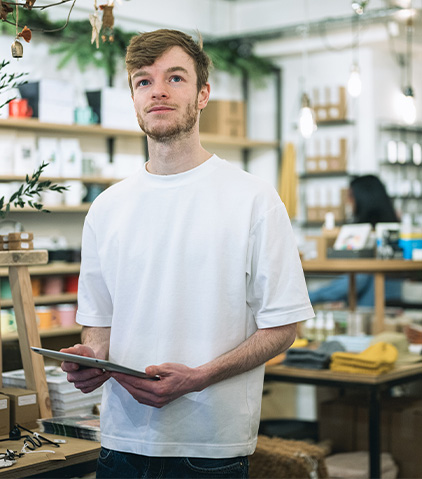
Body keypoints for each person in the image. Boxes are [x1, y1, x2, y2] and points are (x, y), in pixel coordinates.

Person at [60, 29, 314, 479]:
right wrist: (90, 361)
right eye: (143, 81)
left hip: (210, 446)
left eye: (175, 78)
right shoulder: (106, 207)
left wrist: (199, 377)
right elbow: (99, 324)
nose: (157, 90)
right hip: (120, 441)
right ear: (134, 97)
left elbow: (283, 326)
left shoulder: (253, 198)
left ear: (203, 94)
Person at [308, 174, 402, 307]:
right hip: (383, 308)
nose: (348, 202)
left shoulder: (371, 234)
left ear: (363, 198)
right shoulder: (391, 229)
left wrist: (309, 297)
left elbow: (358, 279)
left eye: (350, 196)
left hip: (375, 314)